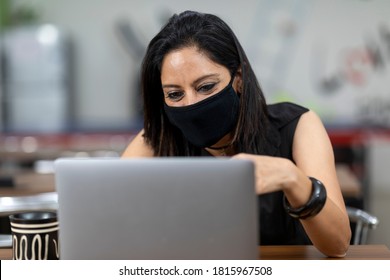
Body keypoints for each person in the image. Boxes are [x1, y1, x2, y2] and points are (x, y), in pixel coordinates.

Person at [122, 10, 351, 257]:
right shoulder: (156, 140)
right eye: (175, 94)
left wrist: (292, 179)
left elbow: (337, 244)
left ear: (238, 78)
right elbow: (109, 227)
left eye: (206, 87)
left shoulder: (297, 126)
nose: (191, 104)